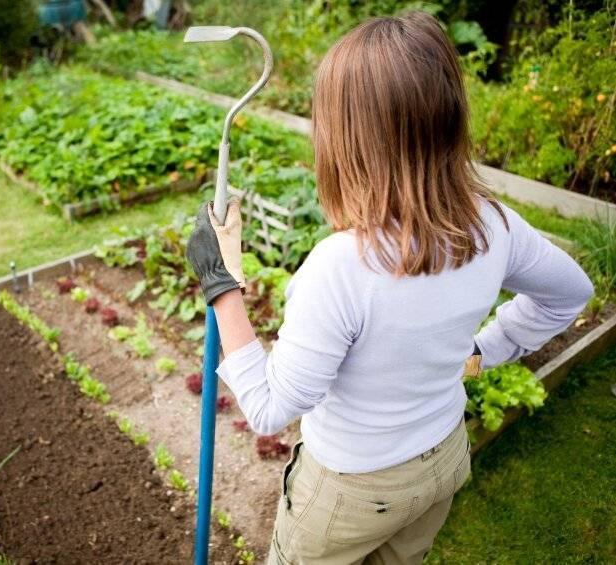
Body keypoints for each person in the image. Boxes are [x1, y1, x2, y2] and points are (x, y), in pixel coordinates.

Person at [185, 11, 593, 565]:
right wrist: (480, 354)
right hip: (442, 462)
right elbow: (570, 293)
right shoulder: (494, 225)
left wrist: (220, 286)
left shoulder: (341, 268)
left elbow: (270, 407)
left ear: (350, 138)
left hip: (350, 493)